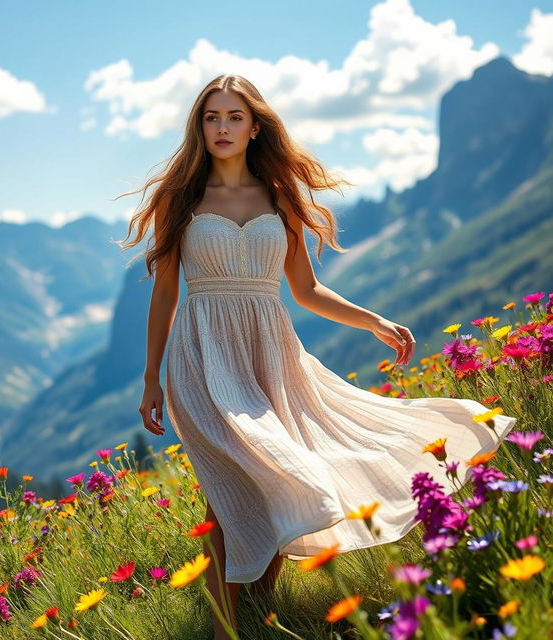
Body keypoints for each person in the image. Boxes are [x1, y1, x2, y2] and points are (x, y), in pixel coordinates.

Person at [116, 74, 517, 640]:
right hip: (202, 354)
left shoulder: (279, 198)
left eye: (234, 116)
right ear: (198, 126)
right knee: (230, 491)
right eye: (211, 117)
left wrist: (373, 320)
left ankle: (259, 606)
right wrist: (151, 378)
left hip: (270, 351)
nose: (222, 128)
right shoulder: (178, 198)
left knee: (283, 476)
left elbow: (305, 291)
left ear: (256, 126)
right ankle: (223, 630)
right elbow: (164, 293)